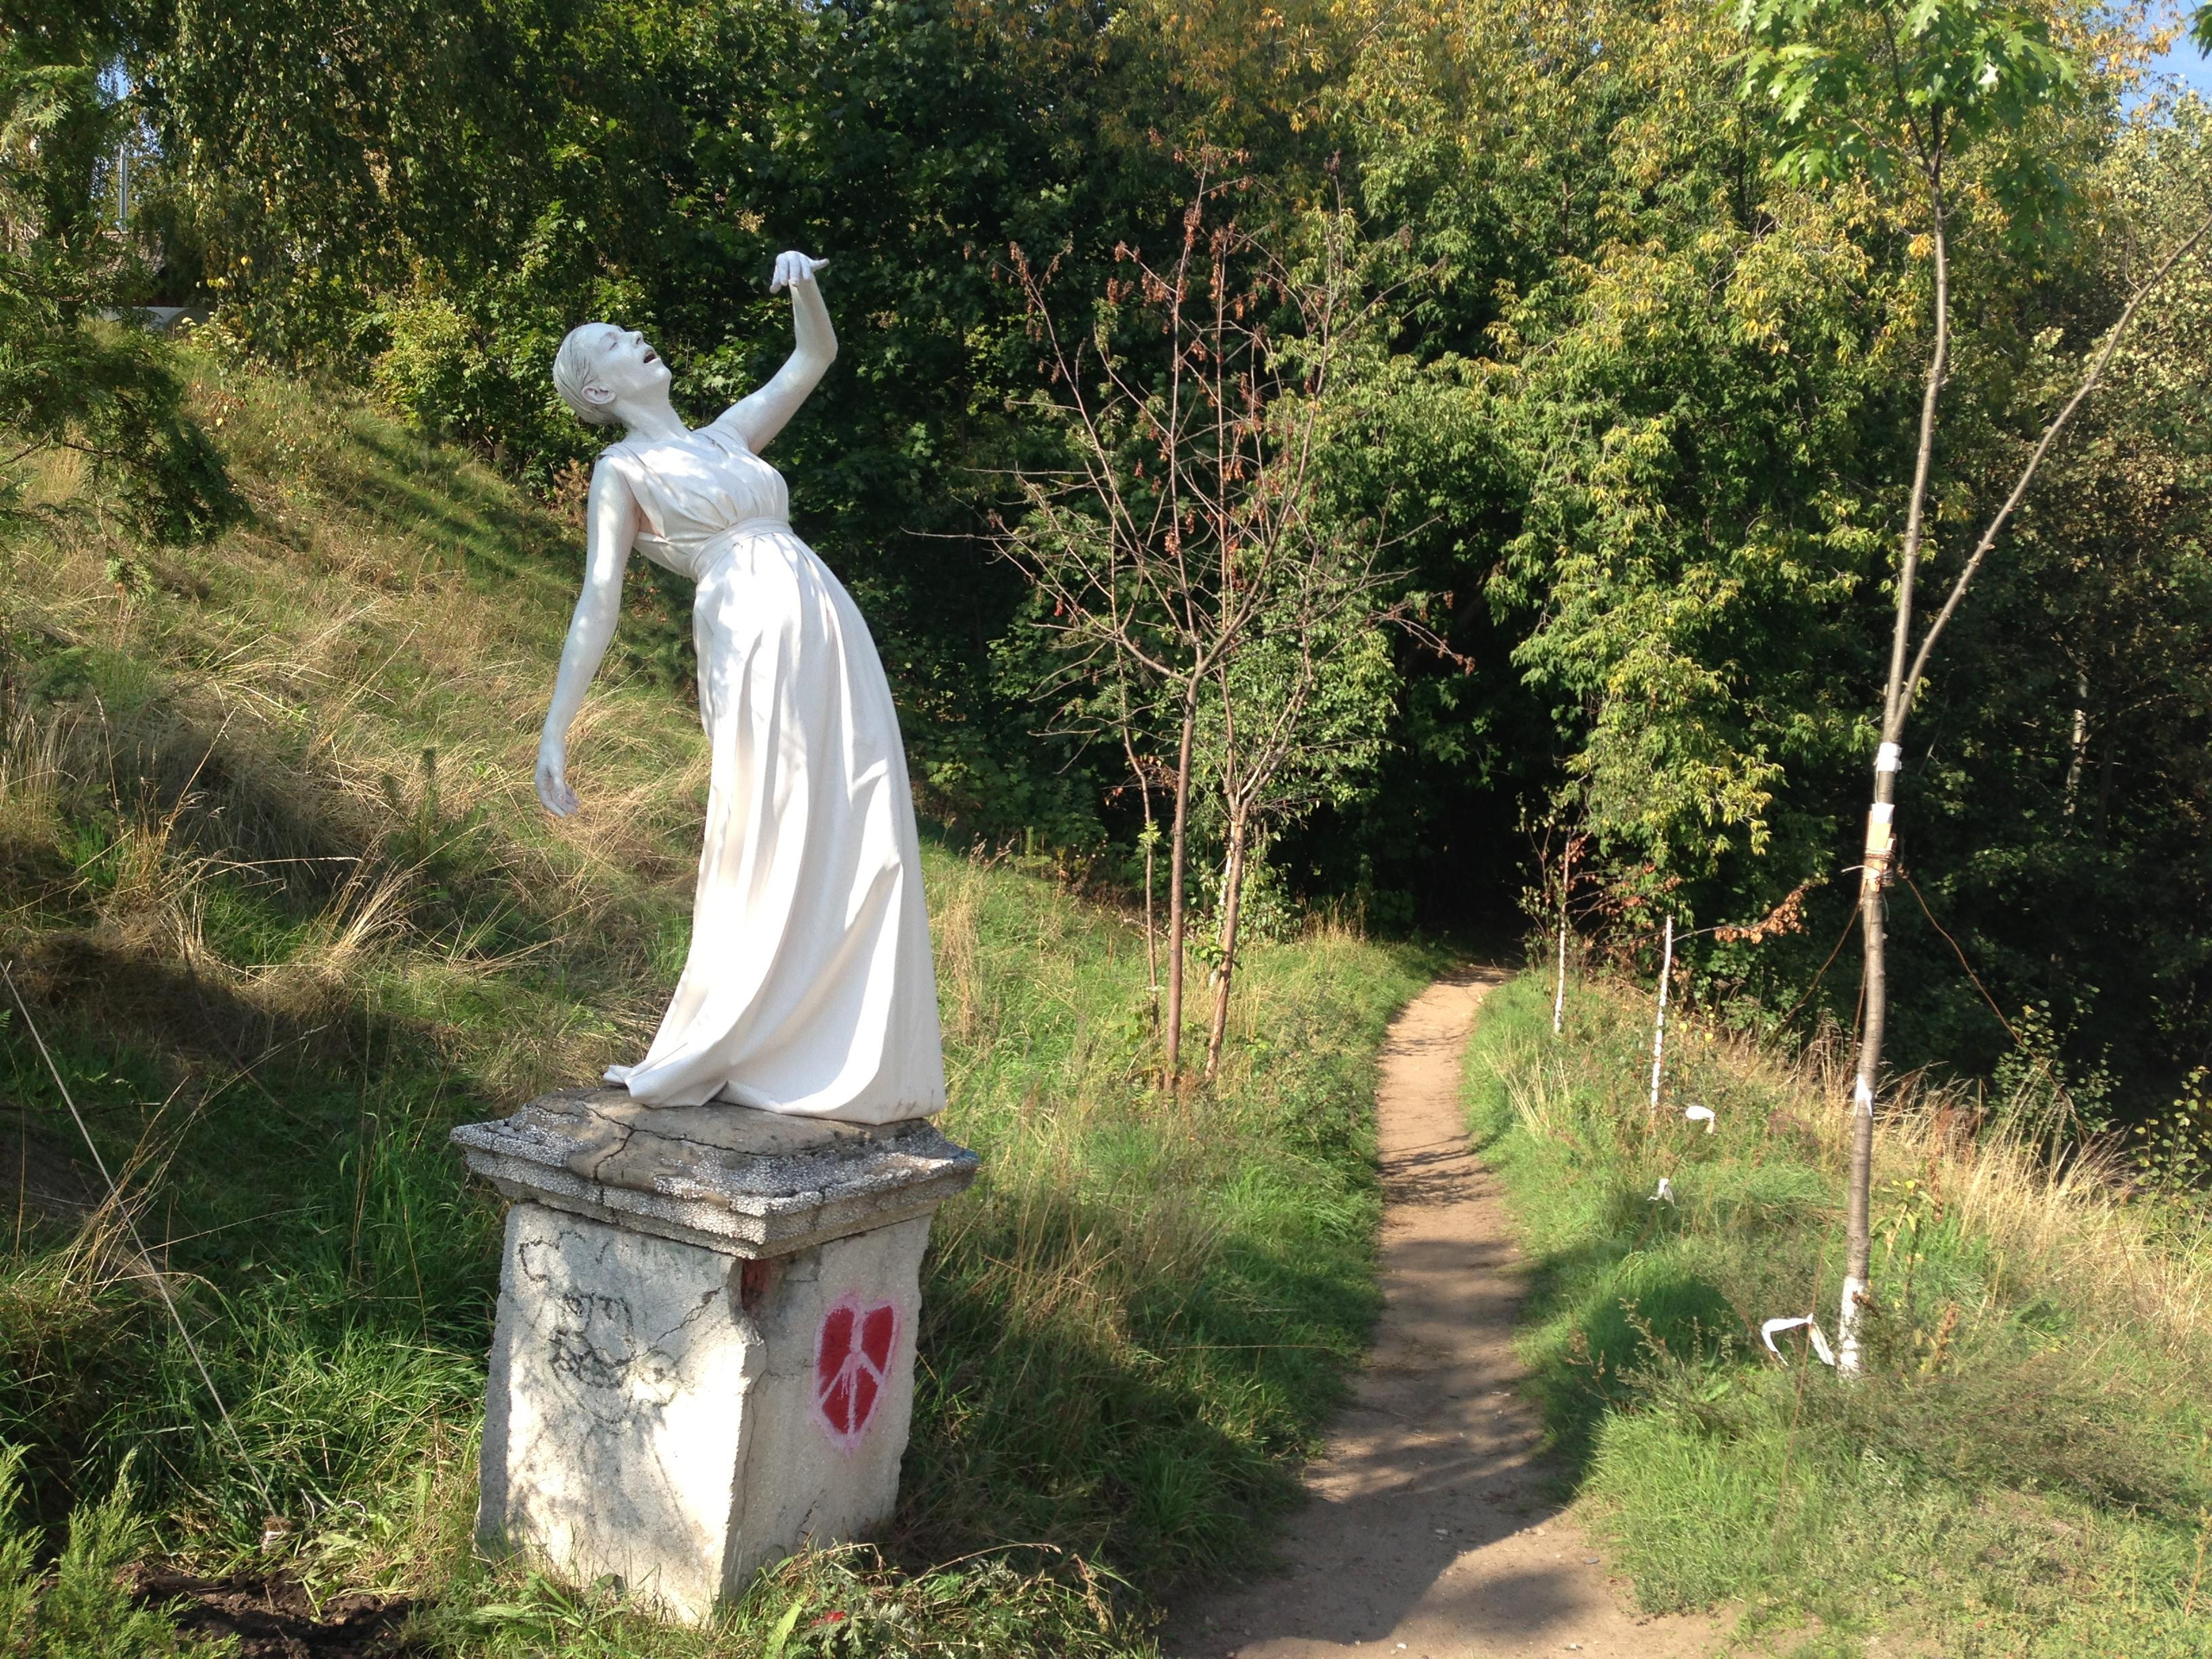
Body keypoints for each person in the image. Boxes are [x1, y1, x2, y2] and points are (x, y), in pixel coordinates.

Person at [536, 251, 947, 1125]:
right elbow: (596, 602)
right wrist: (555, 729)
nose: (636, 336)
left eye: (630, 329)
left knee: (859, 808)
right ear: (599, 393)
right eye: (614, 341)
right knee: (773, 814)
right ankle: (744, 1025)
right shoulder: (624, 474)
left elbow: (811, 360)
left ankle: (833, 1045)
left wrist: (805, 286)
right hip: (750, 633)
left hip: (824, 622)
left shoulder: (725, 437)